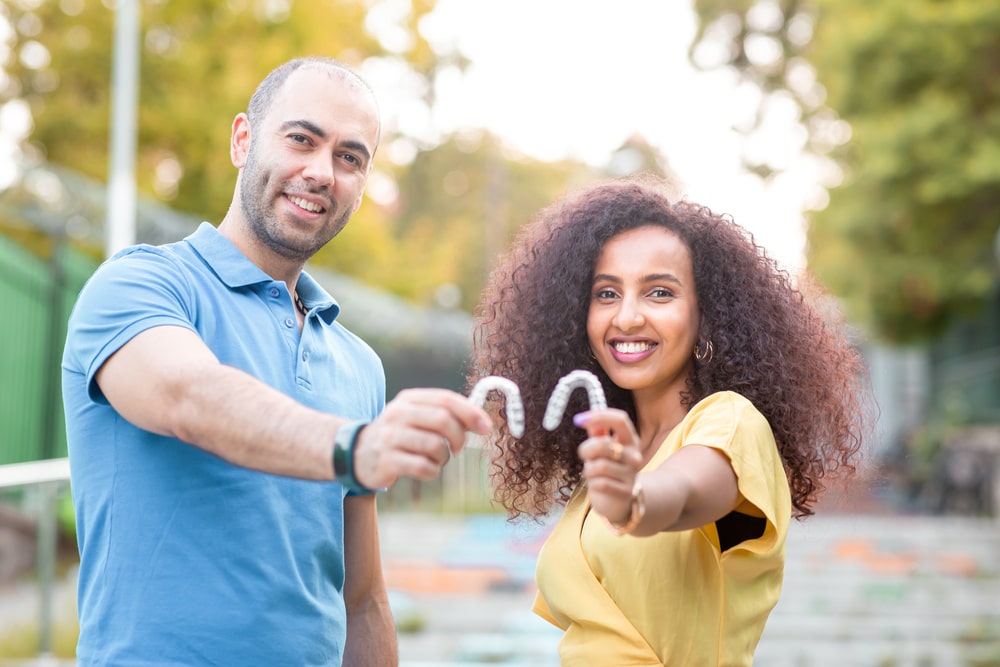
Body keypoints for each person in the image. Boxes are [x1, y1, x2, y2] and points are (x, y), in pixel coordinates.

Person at [61, 56, 491, 666]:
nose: (321, 172)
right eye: (301, 139)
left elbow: (362, 597)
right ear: (243, 140)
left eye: (350, 157)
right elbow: (190, 397)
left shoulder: (359, 364)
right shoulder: (141, 285)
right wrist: (353, 447)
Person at [468, 174, 873, 666]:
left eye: (659, 293)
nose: (628, 317)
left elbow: (681, 494)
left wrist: (633, 498)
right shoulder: (618, 453)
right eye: (606, 293)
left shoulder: (730, 423)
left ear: (708, 315)